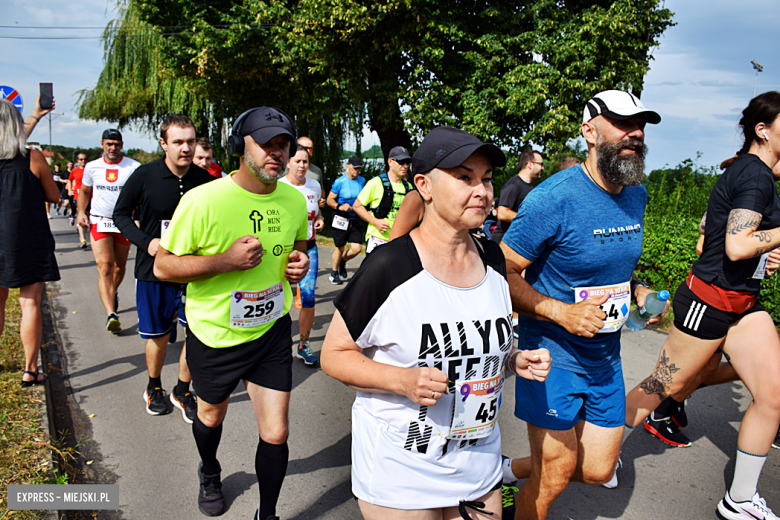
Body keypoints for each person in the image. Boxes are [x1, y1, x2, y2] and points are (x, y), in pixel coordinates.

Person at [321, 126, 551, 519]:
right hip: (401, 467)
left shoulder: (493, 260)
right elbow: (335, 355)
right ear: (424, 185)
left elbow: (471, 340)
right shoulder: (390, 266)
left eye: (487, 179)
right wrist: (404, 381)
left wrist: (513, 359)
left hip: (477, 459)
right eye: (464, 178)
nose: (481, 190)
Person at [498, 90, 666, 519]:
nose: (635, 134)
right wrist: (560, 311)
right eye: (622, 123)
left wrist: (640, 292)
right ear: (589, 131)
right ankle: (521, 496)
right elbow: (502, 273)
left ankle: (504, 475)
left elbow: (617, 268)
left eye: (640, 125)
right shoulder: (553, 198)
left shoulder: (636, 195)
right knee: (555, 473)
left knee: (595, 469)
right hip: (552, 354)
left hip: (605, 356)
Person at [622, 91, 780, 520]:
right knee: (663, 386)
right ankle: (602, 447)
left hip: (744, 304)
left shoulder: (761, 175)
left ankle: (740, 499)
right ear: (763, 131)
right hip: (708, 301)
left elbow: (740, 243)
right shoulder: (755, 176)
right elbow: (736, 244)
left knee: (772, 395)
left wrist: (767, 253)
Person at [153, 106, 309, 519]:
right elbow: (163, 266)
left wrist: (300, 261)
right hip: (216, 333)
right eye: (266, 144)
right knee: (209, 414)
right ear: (241, 146)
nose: (276, 153)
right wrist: (223, 261)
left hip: (271, 330)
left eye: (283, 145)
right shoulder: (203, 199)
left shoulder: (294, 200)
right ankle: (209, 470)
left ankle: (268, 513)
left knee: (276, 431)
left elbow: (300, 246)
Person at [114, 114, 213, 422]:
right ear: (163, 143)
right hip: (153, 269)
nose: (185, 148)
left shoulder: (206, 181)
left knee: (195, 332)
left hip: (194, 270)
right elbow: (120, 215)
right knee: (157, 335)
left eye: (190, 141)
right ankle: (153, 387)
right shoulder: (144, 176)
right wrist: (148, 242)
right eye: (178, 142)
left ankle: (183, 389)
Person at [0, 98, 61, 387]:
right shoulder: (33, 158)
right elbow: (54, 196)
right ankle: (30, 369)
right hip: (28, 238)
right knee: (30, 303)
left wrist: (36, 114)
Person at [77, 129, 141, 333]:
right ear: (102, 144)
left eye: (116, 144)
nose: (113, 148)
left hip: (123, 222)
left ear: (122, 145)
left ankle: (111, 292)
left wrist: (138, 218)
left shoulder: (133, 166)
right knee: (105, 265)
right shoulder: (92, 166)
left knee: (119, 268)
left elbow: (141, 194)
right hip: (99, 220)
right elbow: (85, 191)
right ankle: (111, 314)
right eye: (109, 144)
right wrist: (80, 212)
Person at [280, 147, 324, 366]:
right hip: (282, 249)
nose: (301, 165)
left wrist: (320, 220)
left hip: (309, 247)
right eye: (297, 161)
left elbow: (317, 212)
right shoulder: (278, 186)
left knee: (307, 297)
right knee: (277, 296)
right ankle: (274, 344)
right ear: (288, 162)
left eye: (305, 162)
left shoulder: (314, 185)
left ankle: (303, 345)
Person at [353, 147, 413, 255]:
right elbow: (357, 206)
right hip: (377, 239)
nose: (405, 166)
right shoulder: (376, 183)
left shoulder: (409, 188)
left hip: (398, 241)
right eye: (400, 161)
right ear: (390, 161)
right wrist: (375, 221)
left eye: (407, 162)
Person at [326, 156, 366, 284]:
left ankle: (342, 262)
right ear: (348, 167)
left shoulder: (362, 181)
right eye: (355, 168)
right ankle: (334, 273)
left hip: (354, 218)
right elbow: (329, 200)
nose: (357, 171)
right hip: (341, 218)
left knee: (357, 248)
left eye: (359, 168)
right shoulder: (340, 182)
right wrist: (340, 206)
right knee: (340, 248)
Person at [490, 150, 543, 244]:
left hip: (518, 242)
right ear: (530, 164)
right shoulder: (514, 184)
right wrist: (528, 218)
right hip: (503, 242)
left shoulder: (532, 186)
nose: (542, 168)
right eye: (540, 164)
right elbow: (502, 213)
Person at [296, 136, 326, 207]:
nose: (309, 151)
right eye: (306, 148)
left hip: (311, 214)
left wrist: (322, 200)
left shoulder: (316, 170)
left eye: (311, 148)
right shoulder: (285, 169)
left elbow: (321, 190)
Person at [67, 153, 88, 247]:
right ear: (78, 161)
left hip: (90, 197)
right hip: (78, 197)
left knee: (86, 217)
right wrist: (70, 189)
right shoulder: (74, 171)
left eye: (85, 159)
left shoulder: (90, 170)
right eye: (81, 159)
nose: (83, 161)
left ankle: (83, 235)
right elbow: (69, 180)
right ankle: (82, 239)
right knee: (81, 215)